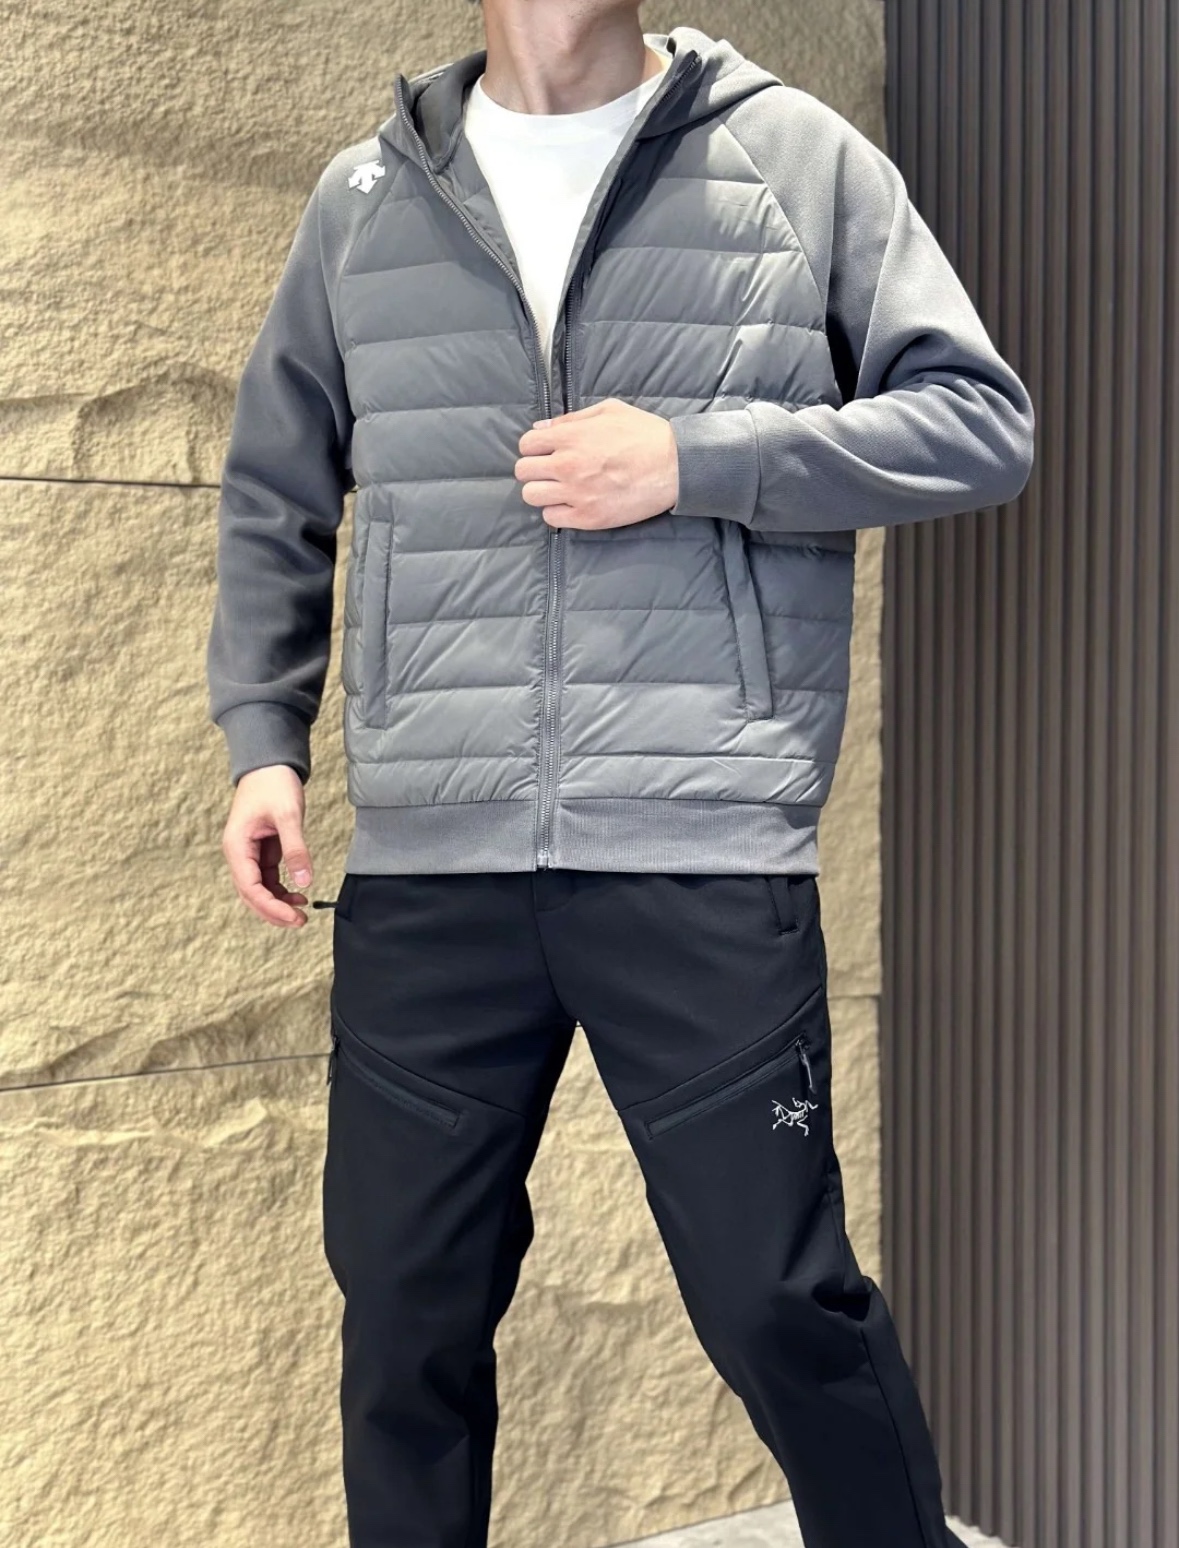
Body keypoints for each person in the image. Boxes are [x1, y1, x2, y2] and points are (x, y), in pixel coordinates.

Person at [206, 4, 1034, 1544]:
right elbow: (275, 488)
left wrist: (699, 459)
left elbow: (982, 425)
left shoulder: (789, 156)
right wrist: (265, 739)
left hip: (700, 848)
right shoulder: (368, 196)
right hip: (433, 870)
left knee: (781, 1303)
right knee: (402, 1317)